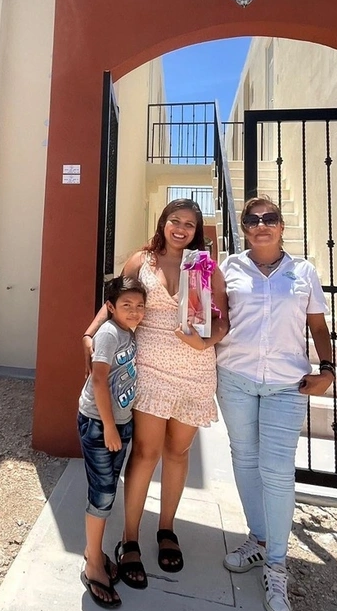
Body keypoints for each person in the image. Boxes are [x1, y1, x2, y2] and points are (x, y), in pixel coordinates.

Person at [82, 199, 228, 589]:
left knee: (177, 452)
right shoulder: (140, 261)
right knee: (146, 453)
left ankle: (166, 530)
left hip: (195, 369)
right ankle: (130, 538)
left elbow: (223, 319)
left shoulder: (204, 266)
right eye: (174, 221)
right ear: (163, 223)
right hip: (148, 368)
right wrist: (90, 332)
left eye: (190, 225)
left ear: (197, 231)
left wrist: (205, 343)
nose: (181, 229)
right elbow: (113, 301)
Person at [215, 197, 336, 611]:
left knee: (277, 469)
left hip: (288, 384)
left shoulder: (302, 272)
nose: (261, 225)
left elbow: (318, 326)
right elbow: (211, 317)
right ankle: (259, 538)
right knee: (245, 459)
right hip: (235, 378)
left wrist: (328, 368)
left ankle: (278, 565)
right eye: (252, 219)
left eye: (269, 218)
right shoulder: (229, 268)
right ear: (244, 228)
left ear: (282, 226)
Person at [78, 276, 147, 609]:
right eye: (126, 306)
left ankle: (96, 551)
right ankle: (92, 565)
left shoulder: (128, 331)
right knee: (102, 494)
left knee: (106, 490)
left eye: (139, 306)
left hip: (119, 423)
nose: (134, 312)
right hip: (99, 425)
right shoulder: (108, 334)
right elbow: (100, 379)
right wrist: (108, 426)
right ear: (110, 307)